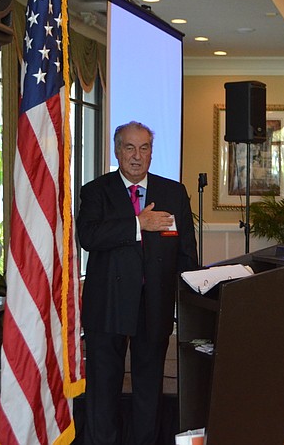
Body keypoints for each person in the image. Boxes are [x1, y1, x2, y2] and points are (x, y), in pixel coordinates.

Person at [77, 121, 198, 445]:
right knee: (103, 390)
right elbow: (88, 237)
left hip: (154, 304)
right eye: (129, 148)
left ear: (152, 153)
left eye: (144, 148)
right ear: (117, 151)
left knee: (149, 389)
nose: (137, 156)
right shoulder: (95, 191)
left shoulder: (173, 192)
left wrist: (191, 306)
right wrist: (137, 224)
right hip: (108, 305)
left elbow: (187, 253)